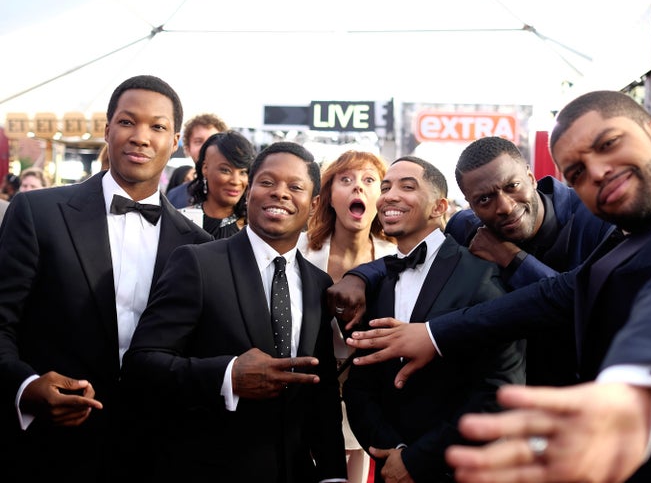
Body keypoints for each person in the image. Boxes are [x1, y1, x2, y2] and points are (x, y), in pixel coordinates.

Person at [344, 90, 651, 482]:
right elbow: (554, 293)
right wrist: (366, 282)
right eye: (576, 171)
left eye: (609, 144)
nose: (597, 171)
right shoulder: (471, 226)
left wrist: (633, 390)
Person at [0, 75, 213, 482]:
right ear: (107, 129)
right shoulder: (37, 212)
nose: (141, 137)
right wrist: (26, 386)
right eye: (127, 122)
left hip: (155, 450)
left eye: (158, 126)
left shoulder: (199, 246)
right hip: (49, 446)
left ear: (176, 141)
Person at [121, 141, 347, 482]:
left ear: (314, 203)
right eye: (267, 182)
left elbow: (322, 393)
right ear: (250, 191)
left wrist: (333, 475)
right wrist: (227, 376)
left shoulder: (319, 284)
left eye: (295, 187)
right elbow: (141, 364)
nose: (280, 194)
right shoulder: (198, 263)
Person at [330, 137, 614, 386]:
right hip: (499, 402)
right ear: (469, 203)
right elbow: (419, 256)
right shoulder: (467, 226)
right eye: (484, 199)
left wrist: (511, 259)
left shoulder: (599, 218)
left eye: (512, 186)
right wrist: (361, 277)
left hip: (588, 392)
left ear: (531, 176)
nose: (504, 206)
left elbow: (584, 303)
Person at [342, 156, 525, 483]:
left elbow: (499, 387)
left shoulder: (481, 276)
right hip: (390, 468)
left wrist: (418, 459)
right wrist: (391, 451)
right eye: (385, 187)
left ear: (439, 207)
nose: (389, 195)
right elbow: (360, 384)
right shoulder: (376, 282)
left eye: (407, 186)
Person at [298, 149, 396, 483]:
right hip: (304, 396)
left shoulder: (395, 259)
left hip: (365, 403)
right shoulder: (300, 252)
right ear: (328, 196)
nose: (358, 188)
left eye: (370, 180)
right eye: (346, 180)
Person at [182, 130, 256, 238]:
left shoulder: (255, 228)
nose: (236, 181)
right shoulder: (182, 221)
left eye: (243, 172)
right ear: (205, 168)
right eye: (225, 170)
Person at [166, 112, 228, 208]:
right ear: (187, 148)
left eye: (213, 140)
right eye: (198, 141)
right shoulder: (174, 196)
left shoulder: (236, 191)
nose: (206, 147)